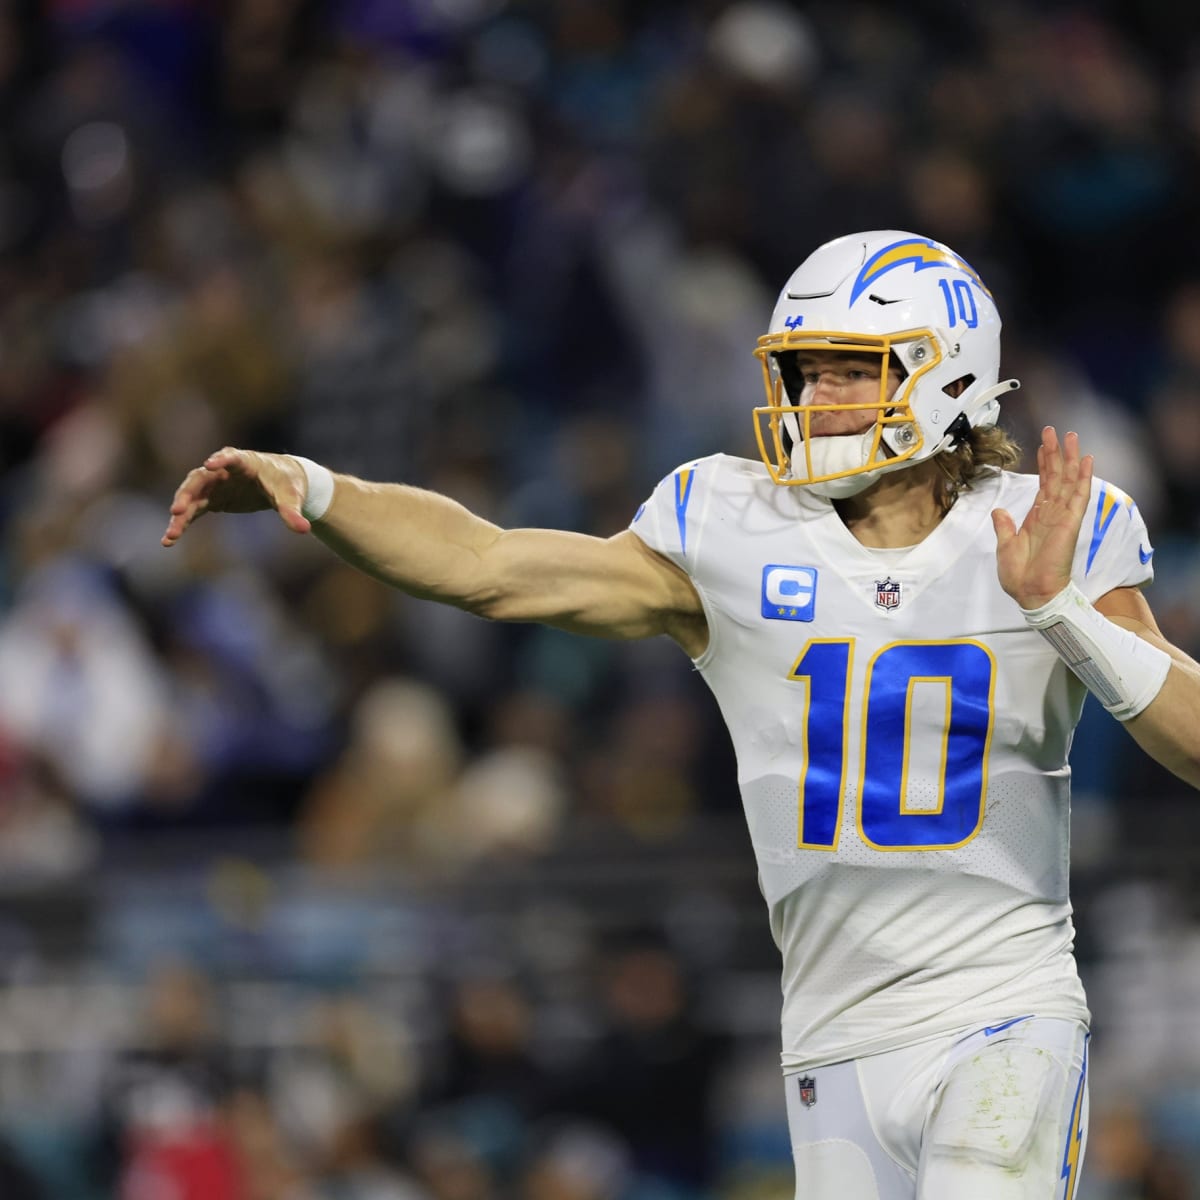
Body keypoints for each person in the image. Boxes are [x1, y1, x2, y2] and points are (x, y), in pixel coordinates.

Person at [162, 230, 1200, 1200]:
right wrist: (321, 489)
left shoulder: (1050, 526)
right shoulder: (735, 525)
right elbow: (489, 564)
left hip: (1001, 1007)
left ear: (951, 372)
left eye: (853, 369)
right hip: (831, 1033)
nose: (821, 398)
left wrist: (1060, 610)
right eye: (807, 371)